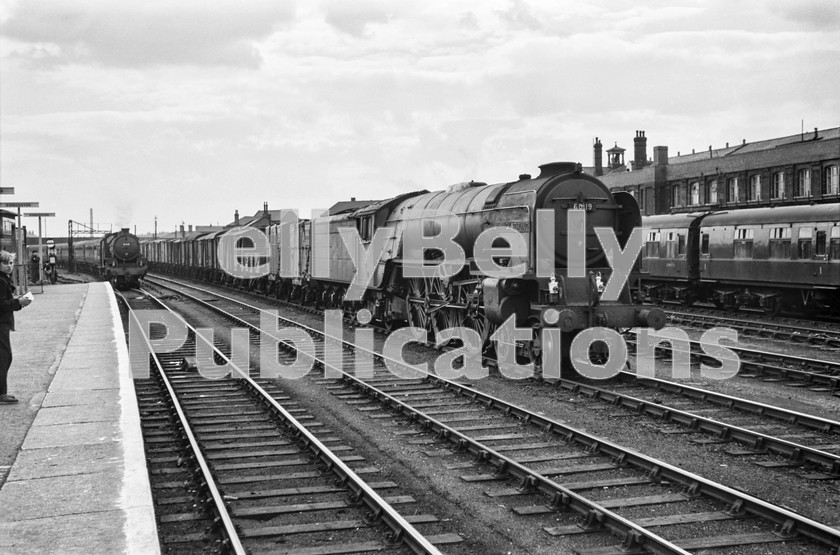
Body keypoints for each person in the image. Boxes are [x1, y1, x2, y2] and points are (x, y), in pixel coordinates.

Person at [0, 251, 32, 404]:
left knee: (5, 357)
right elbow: (1, 304)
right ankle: (1, 394)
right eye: (5, 263)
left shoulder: (4, 279)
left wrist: (19, 302)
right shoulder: (1, 281)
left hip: (3, 323)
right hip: (0, 324)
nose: (9, 266)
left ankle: (2, 393)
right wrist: (18, 302)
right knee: (4, 357)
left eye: (11, 263)